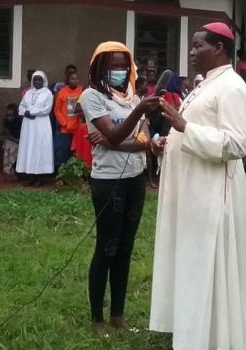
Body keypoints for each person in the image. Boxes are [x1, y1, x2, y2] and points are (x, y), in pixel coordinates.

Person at [149, 23, 246, 350]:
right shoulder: (205, 86)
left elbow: (237, 144)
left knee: (206, 261)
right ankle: (191, 330)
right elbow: (198, 130)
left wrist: (183, 126)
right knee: (191, 260)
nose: (192, 53)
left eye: (198, 46)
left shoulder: (232, 88)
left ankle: (214, 337)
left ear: (219, 48)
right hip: (191, 190)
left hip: (211, 193)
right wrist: (170, 140)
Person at [79, 41, 158, 337]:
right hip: (108, 182)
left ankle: (118, 315)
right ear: (100, 67)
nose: (120, 71)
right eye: (113, 65)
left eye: (124, 65)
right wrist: (135, 122)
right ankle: (97, 319)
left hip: (135, 179)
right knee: (107, 248)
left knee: (125, 249)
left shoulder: (131, 97)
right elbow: (114, 134)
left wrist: (123, 141)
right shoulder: (91, 97)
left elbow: (143, 140)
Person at [16, 71, 54, 186]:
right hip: (28, 125)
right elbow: (21, 106)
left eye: (39, 79)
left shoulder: (48, 93)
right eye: (35, 79)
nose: (37, 82)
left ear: (44, 81)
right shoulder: (28, 93)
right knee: (29, 147)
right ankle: (31, 177)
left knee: (39, 148)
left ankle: (40, 178)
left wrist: (32, 112)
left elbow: (47, 109)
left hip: (41, 124)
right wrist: (24, 113)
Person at [54, 71, 83, 167]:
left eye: (77, 78)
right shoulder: (62, 92)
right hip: (66, 129)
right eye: (72, 79)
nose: (75, 80)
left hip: (78, 128)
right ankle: (63, 176)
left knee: (77, 152)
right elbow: (57, 110)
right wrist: (64, 123)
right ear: (68, 80)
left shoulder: (82, 91)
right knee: (64, 153)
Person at [2, 103, 22, 179]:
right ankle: (8, 172)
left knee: (13, 150)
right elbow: (6, 135)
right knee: (8, 147)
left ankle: (12, 172)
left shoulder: (20, 121)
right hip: (12, 141)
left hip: (19, 142)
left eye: (11, 115)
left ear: (15, 114)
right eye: (7, 115)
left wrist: (18, 141)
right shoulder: (5, 121)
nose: (9, 117)